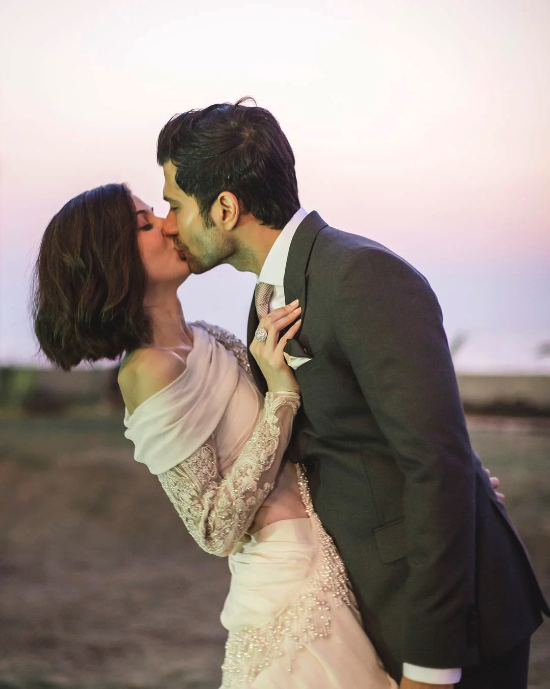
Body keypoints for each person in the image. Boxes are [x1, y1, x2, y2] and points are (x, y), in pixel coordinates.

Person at [156, 98, 548, 689]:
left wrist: (431, 666)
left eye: (174, 204)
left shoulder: (362, 275)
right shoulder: (268, 293)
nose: (168, 223)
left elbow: (433, 463)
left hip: (447, 624)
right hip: (370, 603)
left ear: (226, 208)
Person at [32, 183, 399, 688]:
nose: (167, 224)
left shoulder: (207, 337)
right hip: (282, 580)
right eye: (144, 224)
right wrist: (282, 398)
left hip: (329, 551)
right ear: (109, 260)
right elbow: (213, 530)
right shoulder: (148, 372)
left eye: (159, 212)